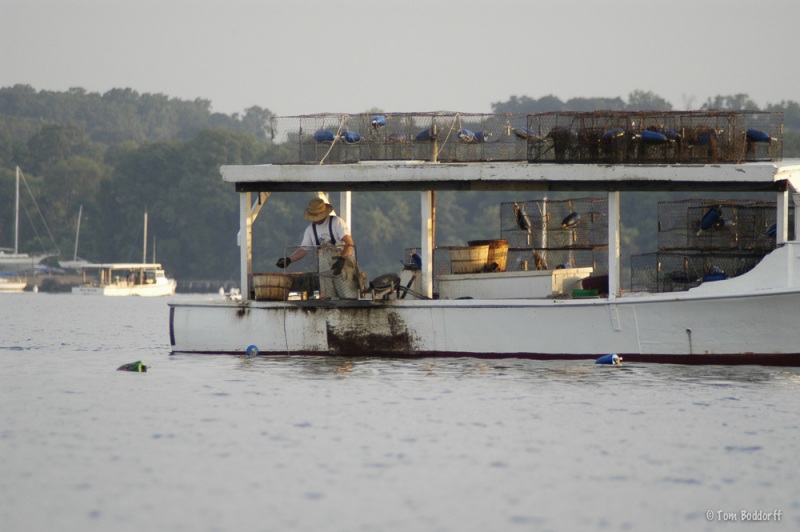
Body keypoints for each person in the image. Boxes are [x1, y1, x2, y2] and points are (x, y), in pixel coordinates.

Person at [276, 198, 360, 299]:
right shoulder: (310, 230)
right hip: (324, 268)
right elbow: (304, 250)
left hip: (342, 266)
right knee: (328, 297)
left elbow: (349, 243)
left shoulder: (336, 222)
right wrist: (289, 259)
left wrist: (342, 259)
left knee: (347, 295)